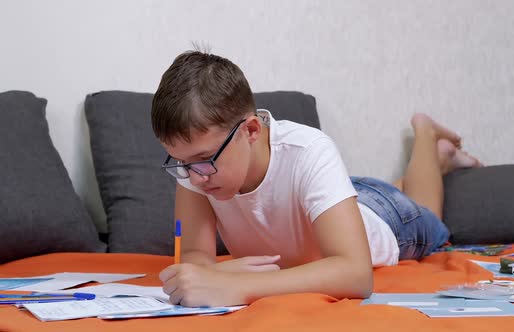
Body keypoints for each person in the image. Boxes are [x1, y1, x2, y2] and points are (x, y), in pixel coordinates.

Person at [151, 50, 482, 307]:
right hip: (334, 205)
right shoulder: (196, 165)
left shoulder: (308, 149)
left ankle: (427, 137)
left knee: (427, 216)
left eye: (204, 160)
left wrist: (235, 285)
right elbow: (195, 258)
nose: (195, 177)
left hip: (385, 219)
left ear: (251, 130)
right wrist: (207, 271)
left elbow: (356, 274)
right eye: (181, 162)